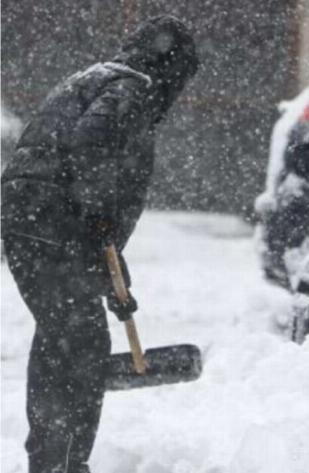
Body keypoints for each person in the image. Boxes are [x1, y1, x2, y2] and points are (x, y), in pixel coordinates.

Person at [0, 16, 198, 472]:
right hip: (54, 224)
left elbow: (77, 166)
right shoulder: (133, 87)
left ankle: (51, 459)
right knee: (80, 346)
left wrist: (112, 274)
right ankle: (63, 463)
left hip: (29, 221)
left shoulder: (93, 78)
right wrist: (100, 215)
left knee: (60, 337)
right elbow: (92, 148)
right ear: (170, 69)